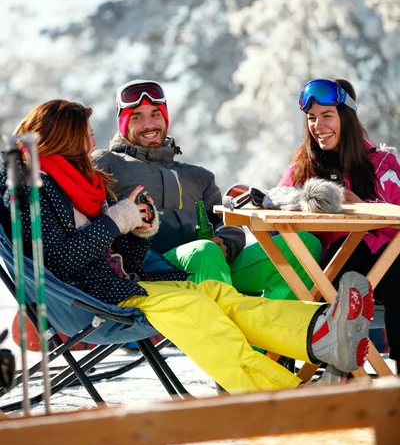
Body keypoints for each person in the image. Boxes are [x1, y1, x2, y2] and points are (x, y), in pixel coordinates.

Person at [0, 99, 374, 393]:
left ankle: (320, 333)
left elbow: (114, 259)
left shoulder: (75, 183)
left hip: (114, 286)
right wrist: (118, 220)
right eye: (86, 133)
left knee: (212, 293)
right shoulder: (29, 187)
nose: (93, 140)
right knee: (193, 303)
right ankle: (285, 392)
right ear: (65, 137)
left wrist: (137, 231)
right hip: (84, 302)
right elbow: (61, 262)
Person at [92, 79, 322, 301]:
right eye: (137, 117)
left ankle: (268, 338)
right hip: (153, 272)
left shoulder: (198, 176)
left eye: (155, 114)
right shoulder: (108, 164)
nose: (149, 124)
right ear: (123, 123)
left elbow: (227, 221)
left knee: (302, 245)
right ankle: (231, 335)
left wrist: (226, 243)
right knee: (204, 252)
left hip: (214, 267)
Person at [279, 78, 400, 375]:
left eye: (327, 115)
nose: (318, 125)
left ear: (347, 117)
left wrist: (363, 206)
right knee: (347, 269)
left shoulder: (382, 164)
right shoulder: (301, 171)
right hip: (328, 271)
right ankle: (336, 374)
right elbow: (277, 210)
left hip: (386, 267)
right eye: (311, 118)